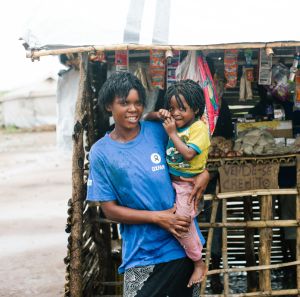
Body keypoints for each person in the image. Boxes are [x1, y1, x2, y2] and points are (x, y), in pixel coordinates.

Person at [86, 72, 210, 297]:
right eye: (124, 103)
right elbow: (109, 209)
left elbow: (188, 157)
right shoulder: (101, 152)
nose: (133, 109)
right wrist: (158, 217)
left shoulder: (158, 131)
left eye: (138, 103)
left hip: (181, 248)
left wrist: (205, 174)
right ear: (108, 106)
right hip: (141, 254)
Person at [145, 79, 209, 287]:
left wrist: (172, 133)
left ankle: (198, 262)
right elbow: (147, 116)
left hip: (187, 186)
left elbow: (189, 154)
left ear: (196, 109)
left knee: (182, 222)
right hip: (172, 182)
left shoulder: (199, 128)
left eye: (183, 108)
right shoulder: (174, 122)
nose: (177, 113)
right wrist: (160, 113)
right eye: (173, 108)